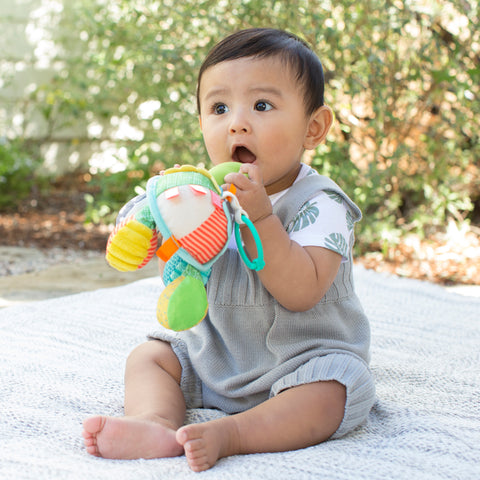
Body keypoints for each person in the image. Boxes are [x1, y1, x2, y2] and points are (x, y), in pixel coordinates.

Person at [82, 27, 375, 472]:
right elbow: (173, 259)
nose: (237, 123)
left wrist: (262, 218)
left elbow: (301, 292)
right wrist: (159, 230)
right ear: (202, 124)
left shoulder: (321, 204)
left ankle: (234, 433)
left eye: (262, 105)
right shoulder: (201, 197)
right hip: (213, 357)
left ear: (313, 128)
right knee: (150, 357)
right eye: (219, 108)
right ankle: (155, 422)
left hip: (302, 361)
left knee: (336, 391)